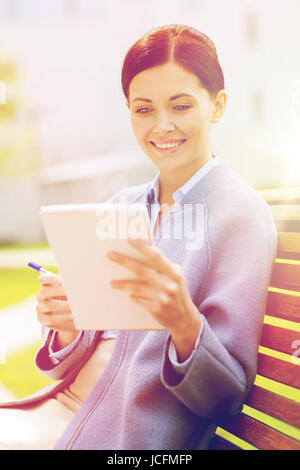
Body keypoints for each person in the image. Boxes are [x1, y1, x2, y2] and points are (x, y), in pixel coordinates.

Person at [0, 24, 277, 450]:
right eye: (144, 109)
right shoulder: (121, 206)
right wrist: (69, 327)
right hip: (65, 409)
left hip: (125, 440)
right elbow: (70, 363)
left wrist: (185, 324)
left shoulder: (240, 217)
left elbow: (226, 398)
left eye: (180, 106)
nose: (162, 126)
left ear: (218, 106)